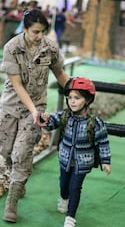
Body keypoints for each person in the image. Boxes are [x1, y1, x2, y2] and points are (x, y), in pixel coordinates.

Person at [0, 8, 70, 223]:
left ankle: (13, 199)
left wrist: (76, 94)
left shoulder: (50, 48)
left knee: (22, 153)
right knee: (5, 149)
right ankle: (16, 176)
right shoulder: (11, 47)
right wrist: (33, 109)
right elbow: (16, 84)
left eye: (43, 31)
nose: (40, 36)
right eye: (36, 31)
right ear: (25, 29)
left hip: (36, 109)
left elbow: (60, 73)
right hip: (10, 106)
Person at [41, 77, 112, 227]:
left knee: (75, 187)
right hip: (65, 159)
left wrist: (105, 161)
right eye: (70, 98)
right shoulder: (65, 115)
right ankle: (63, 197)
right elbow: (51, 123)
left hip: (83, 162)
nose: (72, 101)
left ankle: (70, 217)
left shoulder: (96, 123)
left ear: (87, 100)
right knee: (63, 184)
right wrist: (45, 120)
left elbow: (103, 142)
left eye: (77, 98)